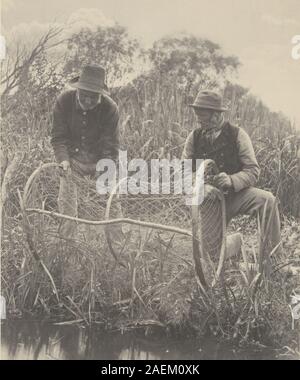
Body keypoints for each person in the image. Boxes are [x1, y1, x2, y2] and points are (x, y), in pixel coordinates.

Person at [182, 90, 282, 258]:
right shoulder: (193, 137)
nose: (198, 119)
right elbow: (183, 172)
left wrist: (231, 180)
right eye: (196, 114)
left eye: (202, 115)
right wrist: (201, 187)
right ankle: (234, 242)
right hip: (210, 201)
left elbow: (252, 170)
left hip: (237, 195)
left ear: (216, 114)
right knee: (211, 257)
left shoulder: (238, 135)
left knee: (267, 201)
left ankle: (274, 259)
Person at [51, 64, 121, 240]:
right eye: (84, 96)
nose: (88, 101)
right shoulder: (63, 101)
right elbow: (59, 138)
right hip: (72, 161)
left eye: (94, 97)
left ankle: (118, 247)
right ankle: (67, 245)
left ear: (101, 95)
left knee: (112, 202)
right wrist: (64, 160)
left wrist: (105, 168)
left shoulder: (110, 108)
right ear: (77, 90)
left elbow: (110, 145)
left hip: (100, 160)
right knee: (66, 203)